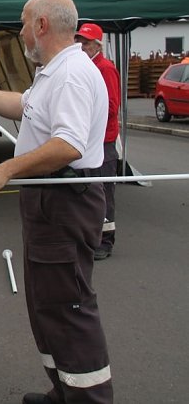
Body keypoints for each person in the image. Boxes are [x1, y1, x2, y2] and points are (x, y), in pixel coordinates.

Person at [0, 0, 113, 404]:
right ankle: (63, 392)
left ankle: (89, 400)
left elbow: (68, 144)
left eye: (22, 23)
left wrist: (4, 169)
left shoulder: (71, 73)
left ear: (41, 26)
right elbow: (25, 106)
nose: (18, 32)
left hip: (65, 199)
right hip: (48, 198)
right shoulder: (53, 70)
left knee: (68, 308)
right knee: (46, 305)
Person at [75, 23, 120, 260]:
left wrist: (82, 113)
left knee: (103, 193)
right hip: (88, 142)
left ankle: (105, 241)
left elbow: (112, 107)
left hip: (103, 143)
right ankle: (90, 237)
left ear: (97, 45)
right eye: (79, 41)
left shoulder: (105, 68)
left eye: (86, 43)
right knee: (88, 193)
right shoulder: (85, 67)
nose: (82, 46)